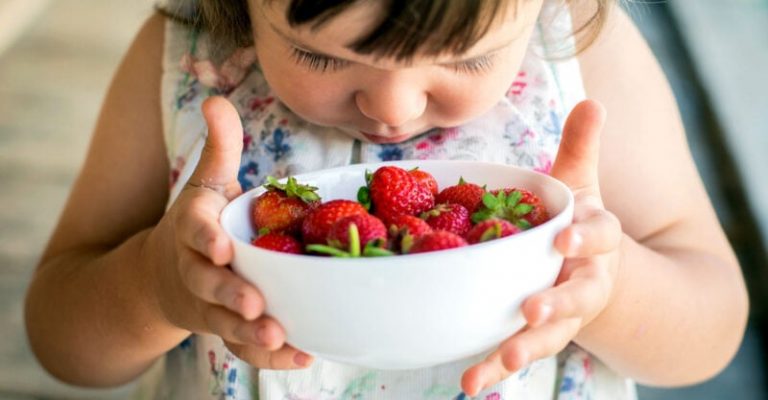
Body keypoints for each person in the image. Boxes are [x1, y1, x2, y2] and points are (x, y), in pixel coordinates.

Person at [24, 0, 749, 398]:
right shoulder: (187, 57)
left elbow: (712, 332)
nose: (394, 108)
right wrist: (154, 286)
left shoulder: (581, 49)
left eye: (468, 58)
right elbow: (62, 342)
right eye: (324, 56)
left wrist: (607, 290)